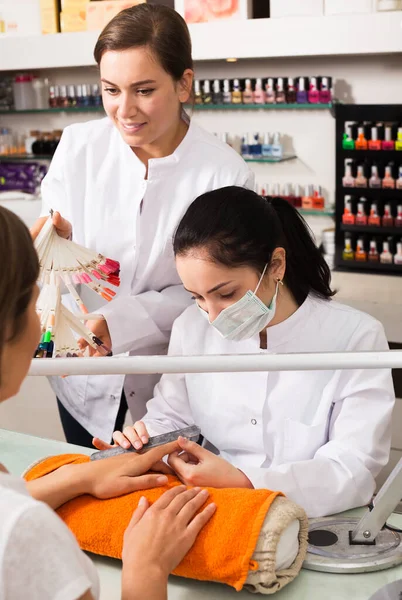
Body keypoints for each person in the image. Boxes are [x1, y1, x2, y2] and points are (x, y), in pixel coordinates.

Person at [30, 4, 253, 448]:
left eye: (144, 90)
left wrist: (117, 322)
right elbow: (54, 251)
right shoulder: (79, 147)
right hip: (82, 375)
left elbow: (214, 294)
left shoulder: (224, 174)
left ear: (184, 83)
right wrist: (56, 243)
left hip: (171, 382)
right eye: (110, 89)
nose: (124, 110)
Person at [97, 186, 395, 518]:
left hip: (318, 517)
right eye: (196, 297)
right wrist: (144, 441)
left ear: (276, 265)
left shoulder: (356, 338)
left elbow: (353, 469)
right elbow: (172, 416)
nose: (212, 315)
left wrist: (245, 481)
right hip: (215, 506)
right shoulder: (190, 328)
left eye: (225, 293)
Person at [0, 205, 216, 600]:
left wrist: (78, 478)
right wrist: (146, 569)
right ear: (9, 326)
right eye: (36, 303)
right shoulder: (26, 534)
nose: (46, 325)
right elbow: (13, 525)